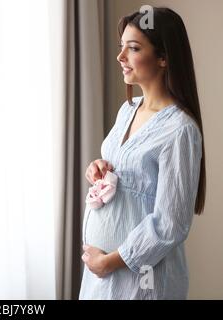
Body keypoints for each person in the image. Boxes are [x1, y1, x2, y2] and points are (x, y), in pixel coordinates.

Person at [79, 7, 206, 299]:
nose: (120, 57)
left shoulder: (180, 130)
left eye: (133, 48)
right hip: (102, 276)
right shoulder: (128, 110)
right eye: (121, 47)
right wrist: (98, 167)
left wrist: (109, 262)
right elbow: (126, 171)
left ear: (164, 57)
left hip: (141, 280)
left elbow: (170, 223)